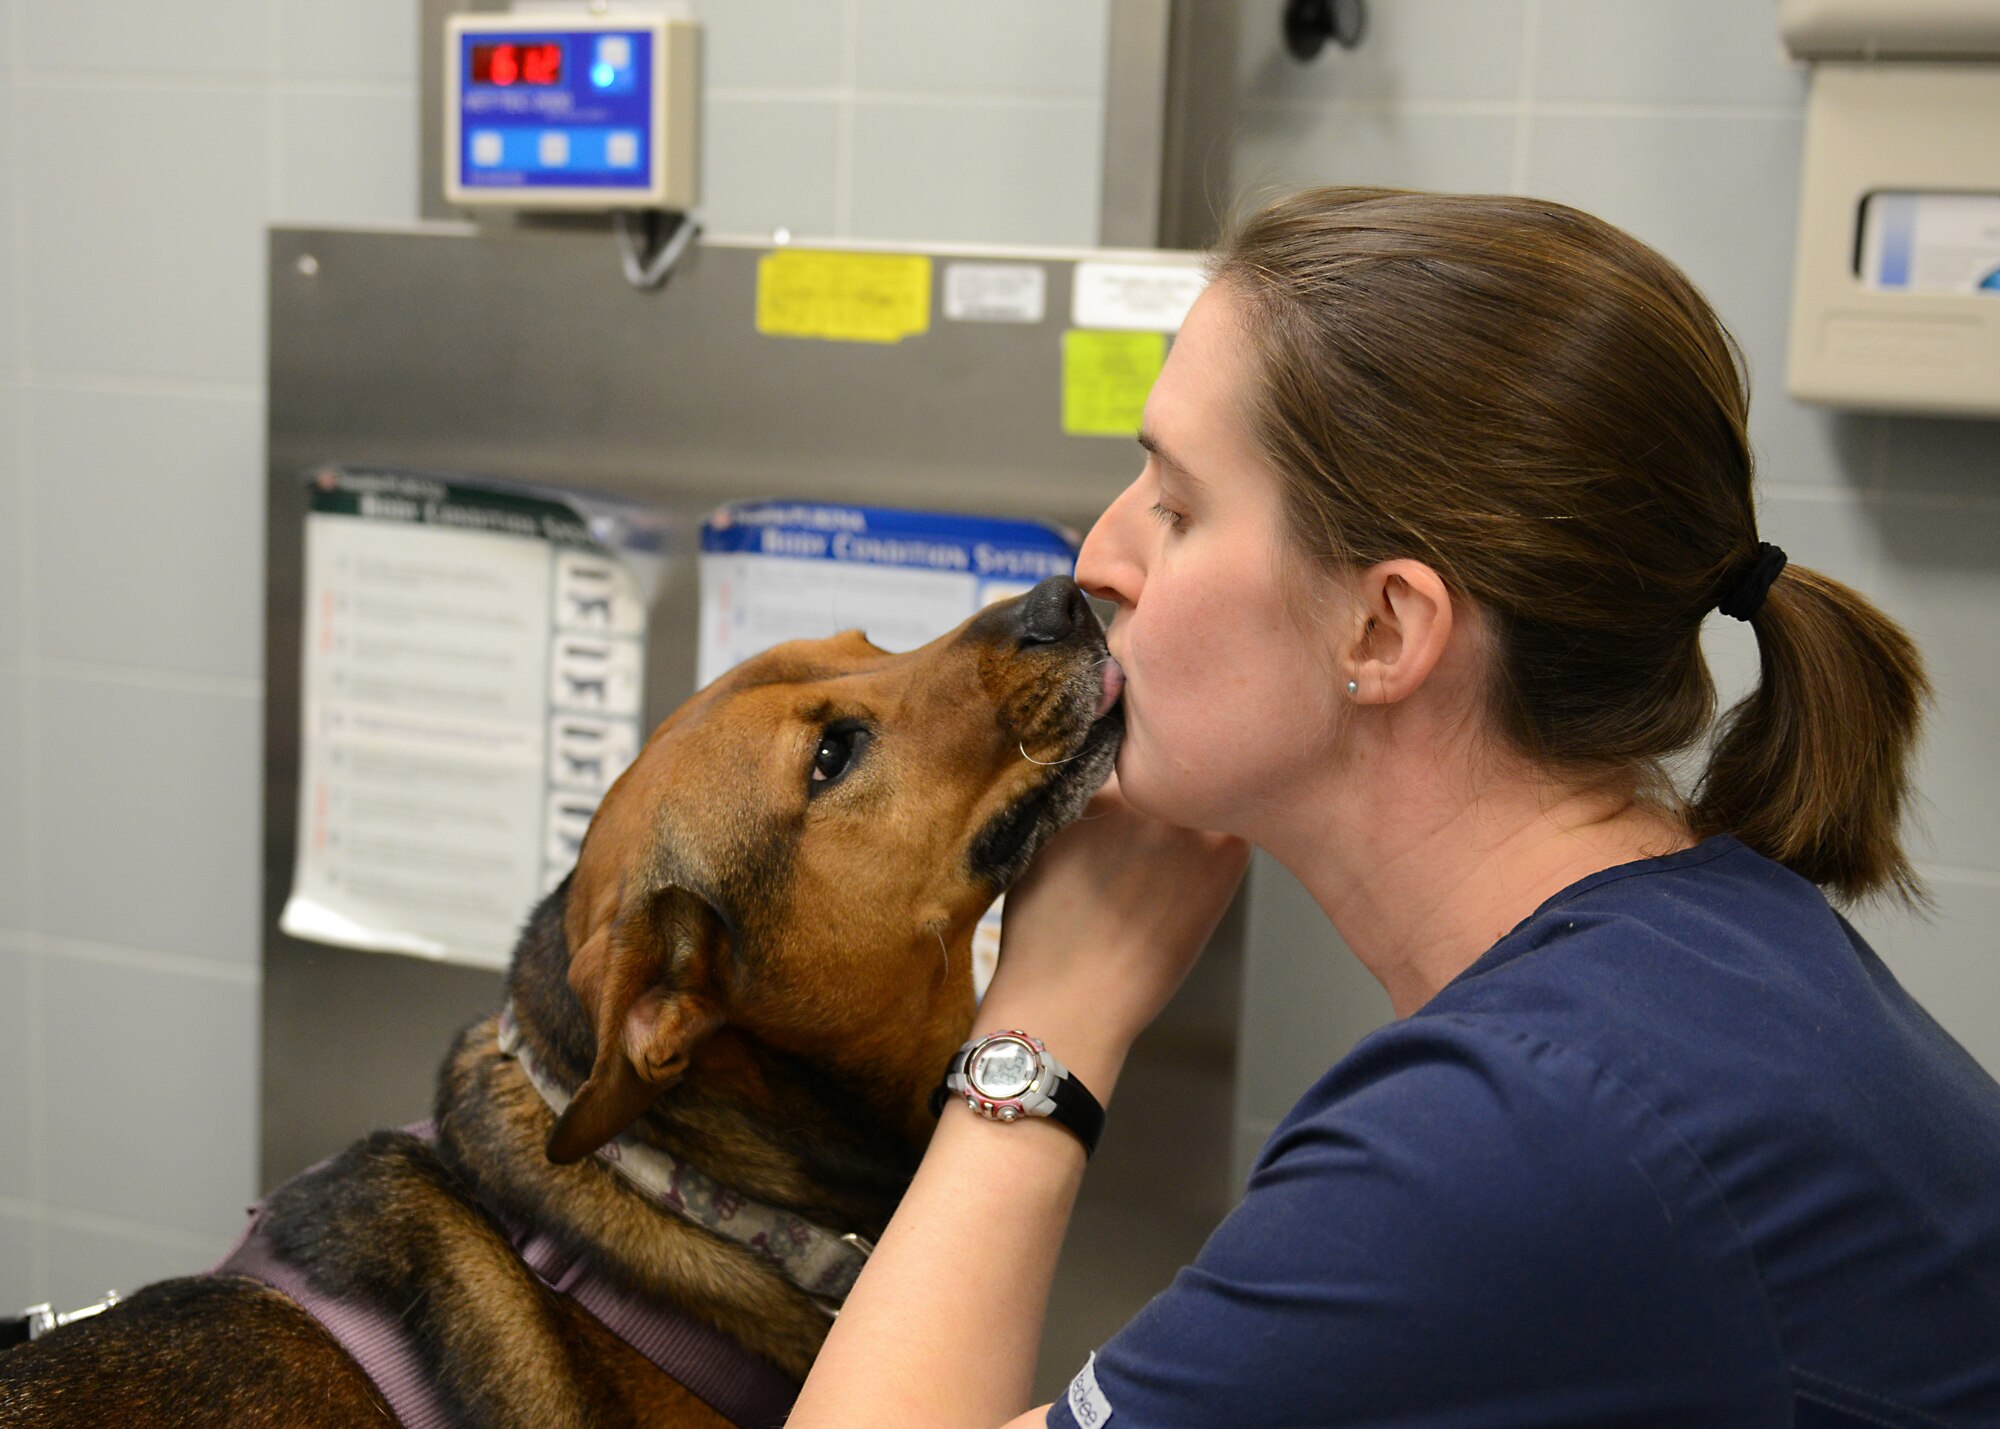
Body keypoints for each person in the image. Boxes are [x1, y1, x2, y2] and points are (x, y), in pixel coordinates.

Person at [787, 187, 2000, 1427]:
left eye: (1177, 506)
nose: (1099, 558)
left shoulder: (1512, 1131)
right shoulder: (1699, 961)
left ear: (1385, 627)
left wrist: (1047, 1030)